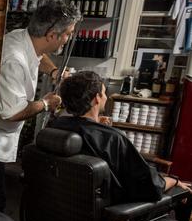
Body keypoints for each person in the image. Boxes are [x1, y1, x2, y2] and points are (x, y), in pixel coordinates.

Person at [0, 0, 82, 213]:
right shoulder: (14, 59)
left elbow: (40, 56)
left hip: (1, 138)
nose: (68, 39)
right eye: (67, 34)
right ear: (51, 35)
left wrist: (54, 71)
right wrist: (47, 103)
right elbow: (12, 112)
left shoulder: (23, 37)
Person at [50, 71, 192, 202]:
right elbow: (150, 187)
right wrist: (173, 181)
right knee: (180, 192)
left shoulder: (56, 126)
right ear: (97, 98)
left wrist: (97, 125)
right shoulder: (112, 138)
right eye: (104, 93)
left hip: (65, 208)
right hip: (112, 213)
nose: (106, 97)